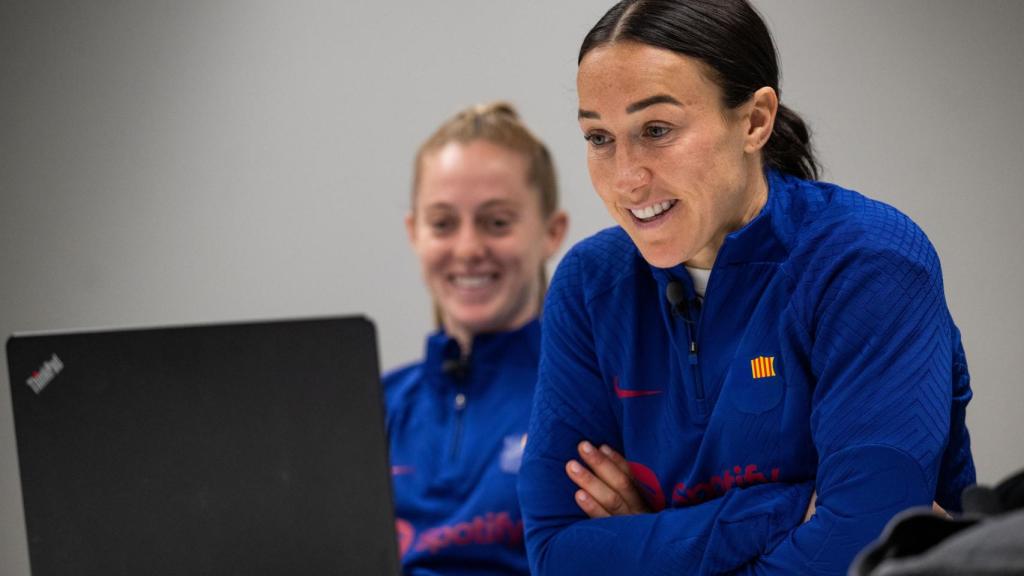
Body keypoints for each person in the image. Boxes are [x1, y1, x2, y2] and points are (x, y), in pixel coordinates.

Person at [517, 1, 975, 574]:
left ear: (755, 120)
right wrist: (787, 508)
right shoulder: (589, 286)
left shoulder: (869, 264)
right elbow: (557, 551)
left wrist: (649, 542)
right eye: (599, 137)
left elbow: (862, 545)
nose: (627, 178)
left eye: (656, 130)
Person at [384, 101, 568, 575]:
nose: (468, 249)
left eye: (497, 222)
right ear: (414, 233)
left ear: (552, 232)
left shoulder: (586, 399)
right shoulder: (374, 409)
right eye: (443, 224)